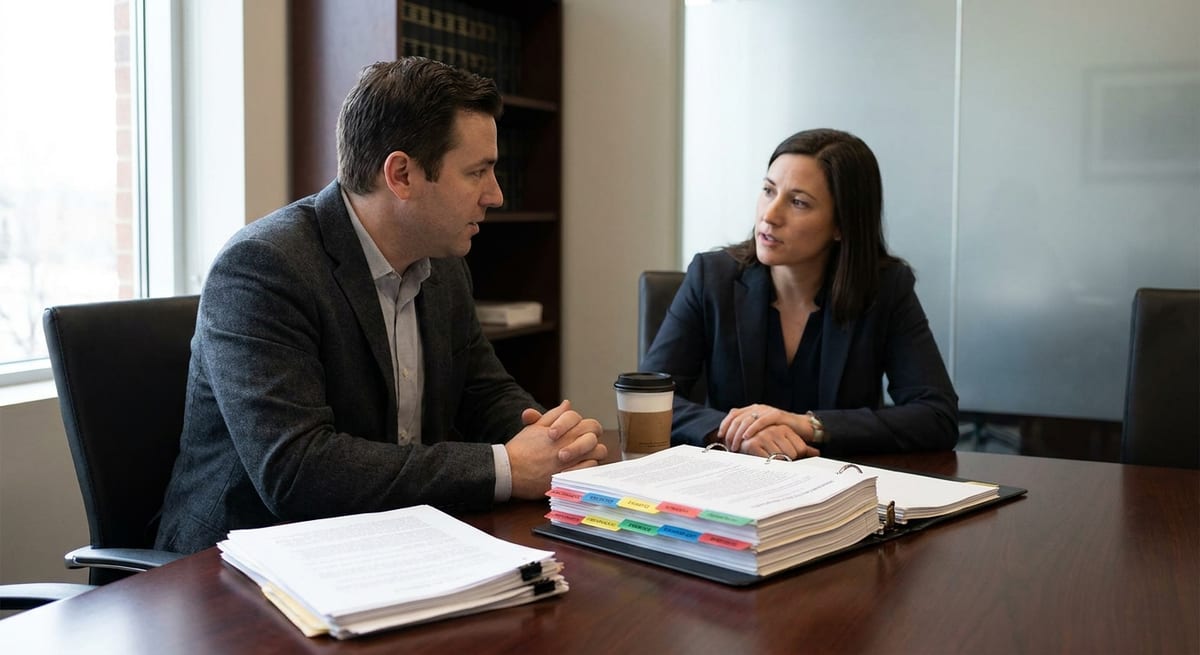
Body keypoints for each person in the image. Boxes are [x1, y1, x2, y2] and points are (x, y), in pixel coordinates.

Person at [155, 58, 605, 554]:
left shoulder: (442, 262)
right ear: (402, 174)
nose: (494, 195)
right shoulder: (264, 267)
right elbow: (296, 469)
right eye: (477, 172)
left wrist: (555, 443)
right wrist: (506, 468)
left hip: (383, 542)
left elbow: (482, 391)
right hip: (240, 564)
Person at [641, 128, 957, 459]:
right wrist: (738, 433)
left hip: (837, 492)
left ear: (841, 225)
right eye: (768, 190)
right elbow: (649, 400)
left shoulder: (886, 288)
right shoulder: (712, 277)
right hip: (731, 484)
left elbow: (937, 415)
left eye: (798, 202)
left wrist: (806, 425)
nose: (770, 215)